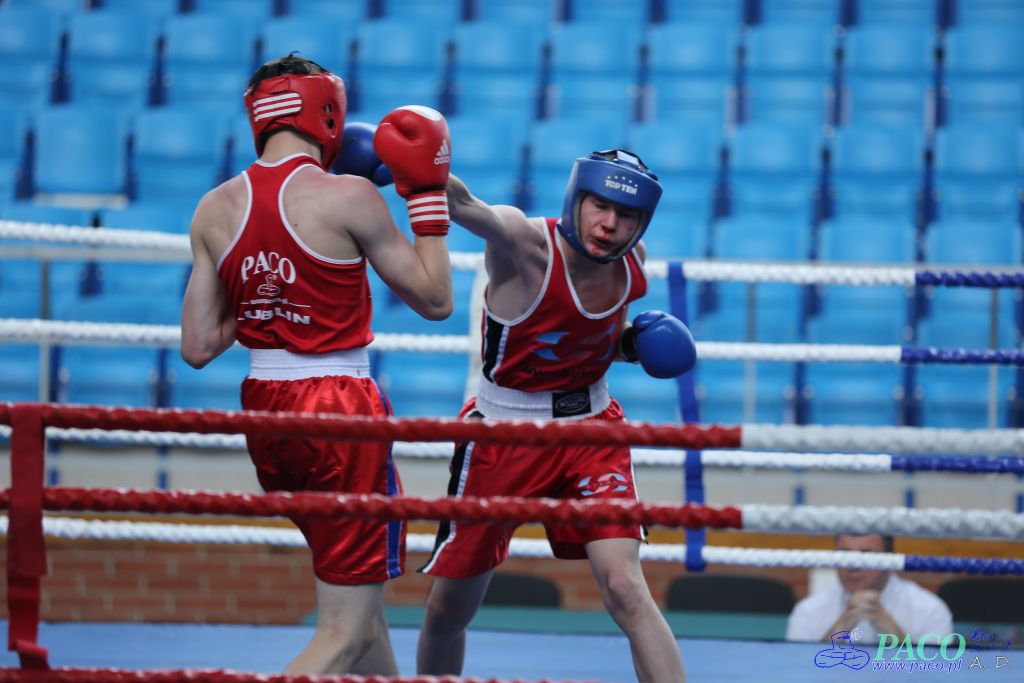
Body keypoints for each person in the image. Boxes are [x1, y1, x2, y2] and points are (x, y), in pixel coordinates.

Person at [179, 55, 454, 674]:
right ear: (327, 112)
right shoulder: (350, 196)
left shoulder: (213, 208)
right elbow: (436, 299)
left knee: (360, 605)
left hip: (266, 411)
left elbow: (197, 346)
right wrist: (427, 196)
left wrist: (265, 293)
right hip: (338, 411)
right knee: (345, 632)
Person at [413, 149, 697, 683]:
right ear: (576, 199)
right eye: (600, 206)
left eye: (626, 215)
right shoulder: (524, 244)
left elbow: (591, 339)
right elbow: (464, 205)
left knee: (625, 588)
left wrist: (632, 347)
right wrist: (412, 161)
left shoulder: (632, 265)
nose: (609, 225)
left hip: (591, 430)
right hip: (503, 433)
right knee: (449, 609)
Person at [786, 533, 954, 645]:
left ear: (890, 560)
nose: (853, 565)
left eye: (866, 554)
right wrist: (841, 626)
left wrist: (891, 630)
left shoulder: (930, 610)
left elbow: (935, 676)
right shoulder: (807, 611)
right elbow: (798, 674)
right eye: (844, 554)